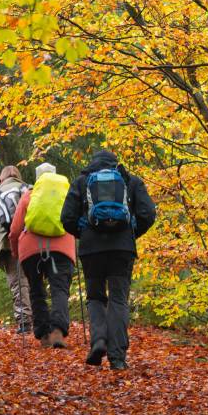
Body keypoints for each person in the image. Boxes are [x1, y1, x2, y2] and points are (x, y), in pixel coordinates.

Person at [61, 149, 156, 370]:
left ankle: (99, 341)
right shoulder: (129, 180)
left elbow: (66, 218)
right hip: (122, 249)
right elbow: (148, 214)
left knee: (95, 297)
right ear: (115, 162)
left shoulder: (82, 182)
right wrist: (132, 232)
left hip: (91, 249)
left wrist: (82, 233)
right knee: (118, 299)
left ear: (92, 162)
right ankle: (117, 357)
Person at [9, 163, 76, 349]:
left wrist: (16, 252)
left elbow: (14, 231)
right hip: (61, 249)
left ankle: (43, 333)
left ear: (37, 178)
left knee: (36, 290)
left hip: (31, 251)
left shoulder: (29, 196)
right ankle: (58, 331)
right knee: (59, 289)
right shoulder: (66, 195)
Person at [0, 165, 32, 334]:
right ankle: (42, 319)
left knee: (18, 282)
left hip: (9, 243)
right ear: (19, 176)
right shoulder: (29, 189)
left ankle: (24, 323)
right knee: (36, 281)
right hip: (33, 239)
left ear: (1, 179)